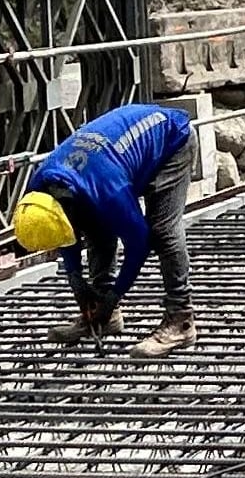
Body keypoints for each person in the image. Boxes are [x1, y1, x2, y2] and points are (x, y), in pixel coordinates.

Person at [11, 102, 199, 356]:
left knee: (161, 231)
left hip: (172, 142)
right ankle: (103, 318)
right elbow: (67, 233)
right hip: (107, 160)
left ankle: (181, 320)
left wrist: (115, 294)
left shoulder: (108, 189)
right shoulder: (40, 188)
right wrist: (77, 281)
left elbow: (139, 245)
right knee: (94, 224)